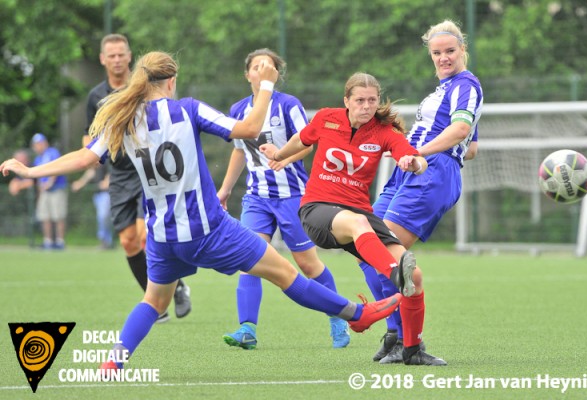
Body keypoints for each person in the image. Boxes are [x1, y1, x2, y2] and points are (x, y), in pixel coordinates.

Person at [0, 51, 401, 371]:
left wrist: (32, 170)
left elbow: (84, 158)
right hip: (209, 230)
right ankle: (356, 314)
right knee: (285, 274)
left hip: (162, 236)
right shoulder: (187, 108)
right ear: (171, 81)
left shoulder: (124, 118)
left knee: (154, 302)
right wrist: (265, 86)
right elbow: (247, 130)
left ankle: (114, 360)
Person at [259, 72, 446, 366]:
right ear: (346, 101)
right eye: (360, 100)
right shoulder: (326, 118)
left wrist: (415, 163)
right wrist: (280, 155)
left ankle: (411, 349)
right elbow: (302, 139)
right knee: (386, 254)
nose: (367, 106)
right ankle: (396, 274)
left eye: (372, 100)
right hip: (318, 210)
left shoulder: (384, 132)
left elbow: (412, 155)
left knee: (417, 278)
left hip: (359, 215)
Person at [360, 19, 484, 364]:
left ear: (463, 51)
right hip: (409, 170)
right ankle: (396, 333)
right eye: (437, 52)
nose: (443, 58)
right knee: (363, 247)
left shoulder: (467, 85)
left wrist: (420, 151)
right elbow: (471, 145)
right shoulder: (441, 92)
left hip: (430, 172)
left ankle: (409, 343)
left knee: (382, 251)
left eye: (450, 51)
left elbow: (460, 131)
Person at [218, 48, 350, 350]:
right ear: (247, 74)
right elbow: (239, 150)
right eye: (256, 66)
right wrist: (225, 189)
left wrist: (284, 158)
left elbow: (308, 142)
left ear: (276, 74)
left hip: (293, 196)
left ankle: (337, 314)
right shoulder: (238, 109)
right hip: (256, 198)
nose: (261, 70)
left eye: (268, 66)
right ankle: (247, 329)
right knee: (248, 258)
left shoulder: (287, 105)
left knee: (307, 263)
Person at [86, 33, 191, 321]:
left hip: (148, 172)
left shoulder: (148, 87)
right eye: (112, 55)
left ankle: (169, 291)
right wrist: (90, 157)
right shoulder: (96, 96)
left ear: (130, 56)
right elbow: (90, 136)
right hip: (119, 176)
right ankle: (162, 299)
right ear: (103, 59)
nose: (118, 59)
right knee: (129, 241)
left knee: (147, 235)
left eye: (122, 54)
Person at [71, 136, 113, 249]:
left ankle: (107, 241)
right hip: (97, 193)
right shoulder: (96, 159)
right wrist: (80, 183)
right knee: (102, 217)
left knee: (103, 216)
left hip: (106, 193)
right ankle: (105, 241)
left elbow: (112, 170)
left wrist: (107, 181)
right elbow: (91, 173)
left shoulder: (106, 156)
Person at [31, 133, 67, 250]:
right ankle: (48, 241)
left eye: (40, 143)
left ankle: (60, 241)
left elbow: (56, 169)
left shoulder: (53, 153)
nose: (38, 146)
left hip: (56, 189)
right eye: (36, 144)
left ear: (45, 143)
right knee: (44, 216)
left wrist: (49, 183)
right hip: (44, 191)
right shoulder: (37, 159)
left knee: (58, 216)